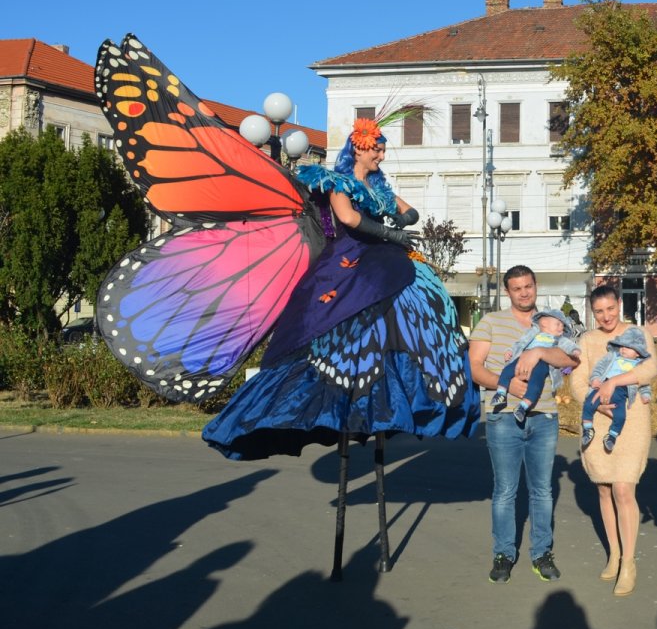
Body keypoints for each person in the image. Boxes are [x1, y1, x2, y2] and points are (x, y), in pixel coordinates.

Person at [203, 113, 479, 460]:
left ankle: (397, 390)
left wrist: (398, 212)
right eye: (377, 150)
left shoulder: (377, 186)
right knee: (340, 315)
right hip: (350, 259)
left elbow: (411, 213)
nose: (381, 156)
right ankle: (324, 396)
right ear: (359, 150)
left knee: (410, 307)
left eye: (382, 150)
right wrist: (389, 231)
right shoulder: (337, 182)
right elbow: (348, 218)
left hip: (385, 259)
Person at [470, 267, 579, 584]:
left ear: (535, 287)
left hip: (544, 416)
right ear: (508, 292)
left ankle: (541, 553)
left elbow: (572, 360)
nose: (523, 293)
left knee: (542, 491)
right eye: (516, 288)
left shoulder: (552, 323)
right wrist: (508, 387)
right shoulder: (491, 323)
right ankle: (503, 554)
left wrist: (543, 351)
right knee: (505, 491)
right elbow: (475, 369)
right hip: (504, 418)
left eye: (528, 286)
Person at [569, 285, 657, 597]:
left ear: (619, 304)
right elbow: (577, 381)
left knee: (623, 488)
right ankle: (614, 553)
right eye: (599, 311)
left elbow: (650, 368)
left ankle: (629, 561)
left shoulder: (636, 333)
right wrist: (597, 401)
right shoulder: (588, 340)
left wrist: (616, 381)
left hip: (631, 421)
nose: (606, 316)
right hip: (598, 417)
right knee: (605, 489)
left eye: (610, 308)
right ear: (592, 312)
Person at [492, 308, 581, 426]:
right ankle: (501, 392)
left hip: (543, 362)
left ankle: (523, 406)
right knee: (507, 370)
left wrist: (574, 350)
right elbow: (520, 343)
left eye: (563, 326)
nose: (561, 327)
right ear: (544, 323)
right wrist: (510, 351)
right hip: (523, 357)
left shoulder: (559, 338)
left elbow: (568, 345)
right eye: (558, 324)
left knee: (536, 383)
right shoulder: (533, 333)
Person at [579, 326, 653, 453]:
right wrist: (595, 378)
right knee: (589, 403)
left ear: (638, 353)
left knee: (620, 416)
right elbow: (599, 368)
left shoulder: (638, 365)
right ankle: (588, 429)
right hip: (603, 386)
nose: (623, 349)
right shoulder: (612, 357)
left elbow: (643, 381)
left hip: (621, 393)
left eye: (629, 347)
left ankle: (612, 436)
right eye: (622, 346)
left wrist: (645, 394)